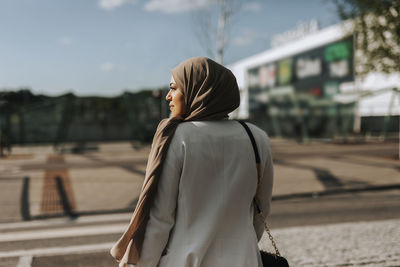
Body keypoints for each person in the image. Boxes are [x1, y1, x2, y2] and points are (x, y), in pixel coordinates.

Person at [110, 57, 274, 267]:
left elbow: (160, 218)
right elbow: (262, 209)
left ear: (198, 90)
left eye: (175, 88)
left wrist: (142, 264)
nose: (168, 96)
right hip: (245, 259)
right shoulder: (256, 137)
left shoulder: (178, 137)